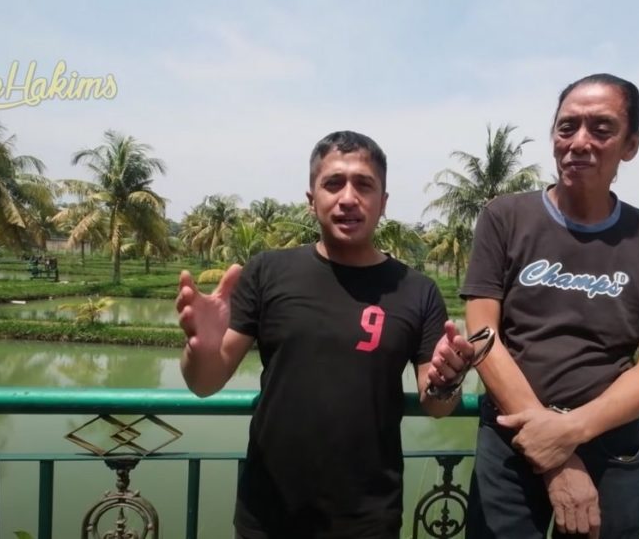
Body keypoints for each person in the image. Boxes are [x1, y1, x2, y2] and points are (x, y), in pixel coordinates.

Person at [176, 131, 473, 539]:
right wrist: (201, 349)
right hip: (269, 512)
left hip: (368, 517)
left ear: (383, 203)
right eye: (333, 183)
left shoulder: (416, 290)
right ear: (311, 197)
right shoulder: (267, 272)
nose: (348, 197)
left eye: (364, 184)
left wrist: (449, 378)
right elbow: (205, 382)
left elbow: (437, 405)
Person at [461, 74, 639, 538]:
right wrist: (551, 448)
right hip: (511, 434)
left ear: (631, 145)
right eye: (567, 127)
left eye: (601, 129)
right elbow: (483, 335)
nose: (579, 142)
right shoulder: (505, 217)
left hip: (610, 445)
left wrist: (570, 432)